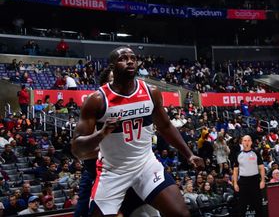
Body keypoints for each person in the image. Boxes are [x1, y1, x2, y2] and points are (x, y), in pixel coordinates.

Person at [71, 47, 203, 217]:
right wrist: (101, 134)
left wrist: (189, 154)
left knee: (181, 213)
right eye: (123, 58)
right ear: (112, 66)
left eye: (133, 58)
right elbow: (76, 148)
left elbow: (165, 127)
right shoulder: (96, 100)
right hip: (113, 171)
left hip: (145, 165)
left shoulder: (151, 92)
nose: (130, 61)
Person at [231, 135, 266, 217]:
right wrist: (235, 183)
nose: (246, 142)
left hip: (255, 181)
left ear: (251, 142)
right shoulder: (238, 154)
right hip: (243, 182)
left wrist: (262, 180)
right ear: (242, 142)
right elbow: (235, 170)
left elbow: (261, 168)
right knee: (242, 207)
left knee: (258, 206)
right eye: (245, 140)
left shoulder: (256, 153)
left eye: (248, 140)